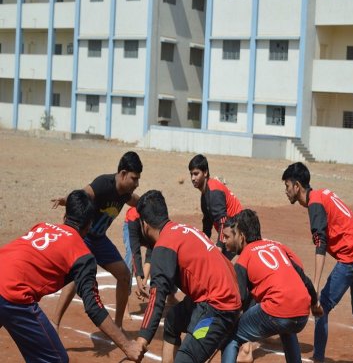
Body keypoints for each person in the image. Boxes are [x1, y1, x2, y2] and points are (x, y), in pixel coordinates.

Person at [0, 190, 144, 362]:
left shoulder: (41, 226)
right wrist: (127, 346)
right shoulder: (82, 255)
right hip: (13, 295)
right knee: (57, 360)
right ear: (89, 225)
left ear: (65, 216)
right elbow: (94, 307)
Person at [282, 162, 353, 363]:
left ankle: (318, 359)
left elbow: (320, 243)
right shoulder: (321, 194)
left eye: (287, 186)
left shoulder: (315, 204)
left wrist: (316, 288)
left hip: (351, 256)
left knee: (322, 308)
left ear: (297, 186)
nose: (285, 191)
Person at [133, 190, 241, 363]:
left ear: (144, 224)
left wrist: (142, 339)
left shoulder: (164, 245)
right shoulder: (184, 229)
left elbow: (157, 297)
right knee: (172, 321)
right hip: (222, 296)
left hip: (218, 307)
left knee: (187, 358)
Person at [51, 151, 143, 329]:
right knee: (75, 278)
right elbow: (81, 196)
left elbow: (135, 201)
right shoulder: (103, 184)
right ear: (123, 174)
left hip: (99, 240)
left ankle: (117, 326)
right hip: (84, 238)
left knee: (124, 275)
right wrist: (66, 199)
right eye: (134, 178)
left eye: (138, 179)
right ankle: (54, 323)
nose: (137, 183)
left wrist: (150, 204)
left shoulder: (125, 192)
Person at [221, 209, 321, 363]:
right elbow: (304, 279)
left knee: (230, 337)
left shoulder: (244, 257)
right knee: (287, 328)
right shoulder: (275, 246)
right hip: (301, 314)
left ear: (241, 236)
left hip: (278, 310)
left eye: (233, 234)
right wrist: (314, 303)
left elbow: (238, 300)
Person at [188, 154, 242, 261]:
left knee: (223, 266)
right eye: (191, 174)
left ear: (205, 173)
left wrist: (219, 246)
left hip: (238, 234)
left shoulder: (213, 191)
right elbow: (207, 224)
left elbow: (223, 221)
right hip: (230, 233)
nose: (193, 178)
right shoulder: (204, 195)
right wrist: (203, 243)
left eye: (196, 174)